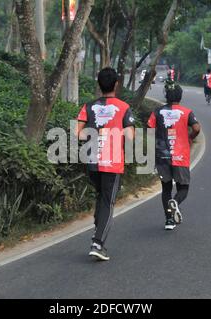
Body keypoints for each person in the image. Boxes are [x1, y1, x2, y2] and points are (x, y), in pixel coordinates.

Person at [75, 68, 135, 261]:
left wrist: (94, 136)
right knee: (108, 202)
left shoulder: (88, 106)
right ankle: (98, 244)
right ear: (116, 84)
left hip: (92, 162)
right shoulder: (124, 107)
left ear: (99, 84)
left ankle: (97, 231)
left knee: (101, 197)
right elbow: (131, 136)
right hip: (112, 163)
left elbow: (78, 133)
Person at [147, 82, 201, 230]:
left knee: (166, 189)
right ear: (180, 96)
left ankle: (169, 221)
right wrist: (190, 137)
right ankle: (176, 202)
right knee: (183, 188)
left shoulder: (157, 112)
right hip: (180, 156)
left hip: (162, 156)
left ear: (166, 96)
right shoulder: (187, 112)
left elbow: (149, 128)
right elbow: (197, 128)